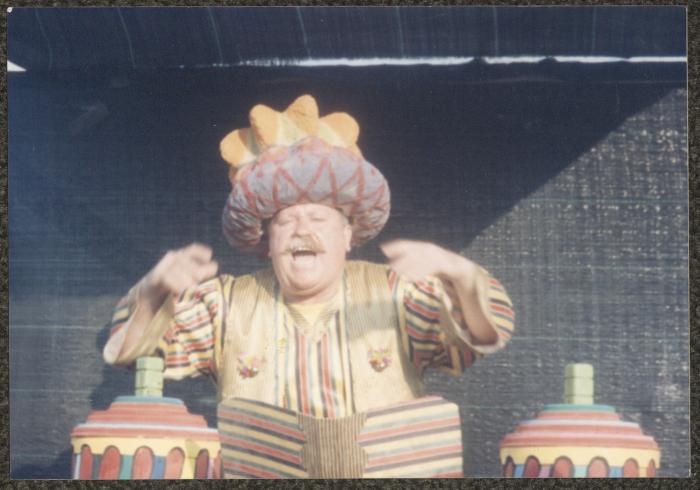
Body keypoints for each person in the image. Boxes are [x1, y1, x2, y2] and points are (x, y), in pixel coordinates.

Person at [103, 94, 515, 478]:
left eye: (318, 218)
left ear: (347, 236)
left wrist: (460, 275)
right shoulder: (223, 305)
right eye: (285, 221)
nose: (302, 230)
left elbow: (480, 337)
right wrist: (154, 291)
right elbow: (135, 354)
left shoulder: (397, 293)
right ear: (268, 242)